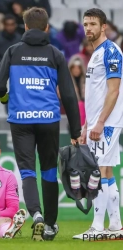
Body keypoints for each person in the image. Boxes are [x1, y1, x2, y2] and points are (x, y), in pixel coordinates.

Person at [0, 7, 81, 241]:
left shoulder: (12, 51)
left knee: (28, 171)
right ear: (47, 28)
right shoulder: (55, 54)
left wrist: (6, 99)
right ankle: (50, 225)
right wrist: (75, 130)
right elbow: (70, 96)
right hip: (48, 120)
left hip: (20, 120)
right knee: (49, 171)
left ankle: (37, 215)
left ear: (25, 26)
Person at [73, 8, 123, 239]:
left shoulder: (112, 51)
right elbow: (93, 95)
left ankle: (97, 228)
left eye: (93, 24)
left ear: (104, 26)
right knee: (107, 172)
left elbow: (114, 91)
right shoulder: (95, 53)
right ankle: (115, 227)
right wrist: (86, 125)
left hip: (108, 123)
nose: (88, 28)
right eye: (85, 24)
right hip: (97, 124)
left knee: (98, 172)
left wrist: (100, 122)